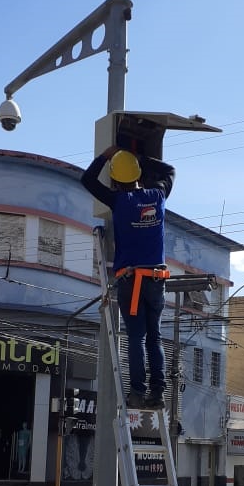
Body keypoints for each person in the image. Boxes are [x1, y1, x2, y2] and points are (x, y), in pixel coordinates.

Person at [81, 145, 175, 410]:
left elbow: (86, 180)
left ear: (115, 180)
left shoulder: (118, 200)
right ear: (139, 174)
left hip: (131, 280)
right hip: (157, 278)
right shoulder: (158, 195)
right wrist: (139, 155)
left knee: (137, 337)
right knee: (154, 336)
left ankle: (137, 393)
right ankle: (157, 394)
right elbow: (170, 170)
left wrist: (105, 156)